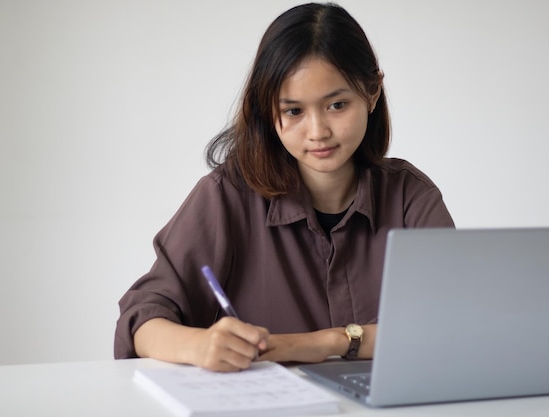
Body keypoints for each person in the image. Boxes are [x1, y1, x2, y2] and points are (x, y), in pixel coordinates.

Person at [114, 2, 454, 372]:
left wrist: (323, 343)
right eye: (293, 111)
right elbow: (142, 318)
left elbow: (450, 327)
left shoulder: (410, 197)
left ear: (372, 94)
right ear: (267, 110)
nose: (317, 131)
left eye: (337, 105)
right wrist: (200, 345)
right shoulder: (226, 196)